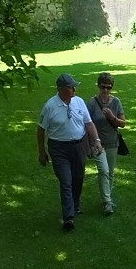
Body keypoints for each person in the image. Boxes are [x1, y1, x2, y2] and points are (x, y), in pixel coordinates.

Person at [37, 72, 102, 231]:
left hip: (78, 146)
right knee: (66, 181)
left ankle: (75, 204)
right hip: (59, 148)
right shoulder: (50, 106)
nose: (74, 90)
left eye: (74, 87)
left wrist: (97, 141)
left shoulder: (79, 102)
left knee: (78, 178)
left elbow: (89, 124)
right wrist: (42, 152)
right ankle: (68, 217)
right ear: (61, 89)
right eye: (71, 88)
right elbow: (40, 130)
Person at [86, 72, 126, 216]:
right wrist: (90, 144)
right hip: (98, 144)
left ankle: (106, 198)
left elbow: (123, 123)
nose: (105, 91)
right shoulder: (92, 103)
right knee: (103, 170)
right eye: (103, 87)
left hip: (112, 142)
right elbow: (86, 124)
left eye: (108, 88)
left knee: (110, 172)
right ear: (98, 86)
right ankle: (108, 203)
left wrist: (112, 117)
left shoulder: (116, 102)